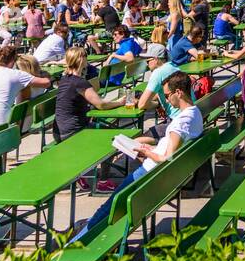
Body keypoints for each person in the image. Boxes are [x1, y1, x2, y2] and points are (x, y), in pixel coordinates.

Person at [71, 72, 204, 240]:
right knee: (110, 208)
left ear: (178, 92)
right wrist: (150, 148)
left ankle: (75, 244)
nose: (167, 100)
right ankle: (84, 231)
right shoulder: (195, 113)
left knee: (108, 208)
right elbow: (171, 151)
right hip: (165, 176)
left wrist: (146, 152)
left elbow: (167, 158)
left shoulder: (180, 122)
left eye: (168, 95)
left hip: (149, 176)